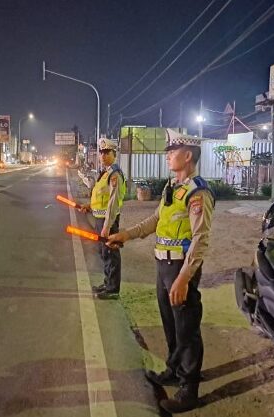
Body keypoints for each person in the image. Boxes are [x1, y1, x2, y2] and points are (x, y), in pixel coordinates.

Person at [106, 128, 214, 413]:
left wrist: (183, 277)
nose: (167, 156)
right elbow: (156, 220)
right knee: (170, 324)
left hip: (180, 268)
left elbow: (201, 240)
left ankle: (189, 389)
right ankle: (174, 369)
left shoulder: (197, 192)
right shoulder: (172, 188)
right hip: (162, 265)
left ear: (188, 155)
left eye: (172, 151)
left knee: (186, 328)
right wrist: (125, 235)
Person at [80, 138, 127, 300]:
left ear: (115, 154)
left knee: (111, 253)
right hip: (100, 219)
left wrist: (107, 226)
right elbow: (101, 198)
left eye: (107, 153)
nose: (103, 155)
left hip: (109, 221)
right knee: (104, 253)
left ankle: (113, 288)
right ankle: (107, 283)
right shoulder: (105, 173)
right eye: (101, 152)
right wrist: (89, 206)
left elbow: (113, 203)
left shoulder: (114, 175)